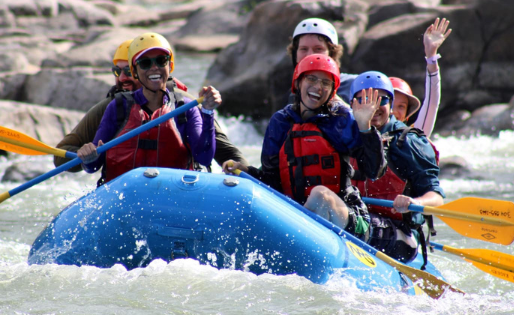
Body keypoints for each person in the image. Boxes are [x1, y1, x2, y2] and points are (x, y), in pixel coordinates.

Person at [223, 54, 386, 243]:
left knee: (320, 195)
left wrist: (365, 128)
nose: (318, 87)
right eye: (312, 79)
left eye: (325, 82)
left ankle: (292, 239)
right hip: (297, 215)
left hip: (347, 216)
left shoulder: (341, 120)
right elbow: (271, 182)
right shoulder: (280, 122)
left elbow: (374, 171)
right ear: (298, 83)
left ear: (332, 90)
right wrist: (245, 171)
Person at [54, 39, 248, 178]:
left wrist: (242, 168)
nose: (123, 78)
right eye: (117, 72)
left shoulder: (185, 105)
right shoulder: (113, 107)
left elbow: (223, 152)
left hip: (174, 192)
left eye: (128, 71)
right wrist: (86, 157)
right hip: (123, 193)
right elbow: (62, 156)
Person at [349, 70, 445, 264]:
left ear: (390, 105)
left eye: (381, 100)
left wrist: (414, 201)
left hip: (399, 234)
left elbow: (437, 198)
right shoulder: (343, 136)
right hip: (360, 219)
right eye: (365, 99)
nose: (373, 106)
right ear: (352, 104)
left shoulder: (410, 142)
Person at [390, 17, 451, 136]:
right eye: (390, 104)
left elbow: (432, 103)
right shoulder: (361, 133)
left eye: (401, 107)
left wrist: (431, 56)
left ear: (407, 115)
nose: (394, 112)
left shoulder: (414, 136)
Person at [286, 18, 357, 103]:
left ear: (332, 54)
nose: (310, 55)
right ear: (295, 55)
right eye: (304, 49)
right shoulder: (294, 93)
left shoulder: (355, 84)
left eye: (318, 49)